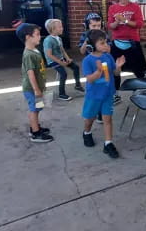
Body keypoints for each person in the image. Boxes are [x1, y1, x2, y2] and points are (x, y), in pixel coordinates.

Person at [81, 29, 125, 159]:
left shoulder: (108, 57)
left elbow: (115, 73)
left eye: (106, 42)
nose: (106, 45)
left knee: (108, 119)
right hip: (94, 95)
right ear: (91, 46)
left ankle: (108, 143)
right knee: (90, 118)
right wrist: (98, 72)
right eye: (102, 43)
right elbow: (90, 79)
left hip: (107, 94)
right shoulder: (88, 61)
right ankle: (87, 132)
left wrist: (118, 67)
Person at [108, 0, 146, 104]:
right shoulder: (112, 8)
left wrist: (125, 20)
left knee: (139, 69)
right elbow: (110, 26)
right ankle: (115, 94)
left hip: (132, 42)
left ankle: (144, 89)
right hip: (117, 42)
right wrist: (117, 21)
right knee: (115, 69)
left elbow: (140, 24)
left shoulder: (135, 7)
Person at [16, 23, 54, 143]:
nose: (40, 37)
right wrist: (36, 89)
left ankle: (35, 127)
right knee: (34, 109)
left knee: (38, 108)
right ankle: (35, 134)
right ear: (28, 37)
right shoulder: (28, 54)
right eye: (37, 35)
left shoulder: (34, 50)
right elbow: (30, 73)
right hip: (32, 89)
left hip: (38, 87)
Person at [78, 13, 111, 123]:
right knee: (93, 88)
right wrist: (87, 42)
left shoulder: (104, 35)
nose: (96, 28)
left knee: (105, 85)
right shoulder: (85, 35)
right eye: (93, 26)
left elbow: (109, 50)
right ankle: (94, 111)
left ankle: (102, 112)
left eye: (98, 25)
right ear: (88, 26)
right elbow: (82, 51)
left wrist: (105, 47)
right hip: (91, 66)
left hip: (104, 64)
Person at [43, 19, 84, 101]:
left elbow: (62, 50)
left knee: (75, 67)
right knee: (63, 74)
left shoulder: (59, 38)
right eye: (60, 27)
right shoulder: (48, 40)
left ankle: (78, 85)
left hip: (61, 59)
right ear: (52, 29)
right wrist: (61, 63)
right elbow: (49, 55)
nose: (62, 28)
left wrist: (67, 58)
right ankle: (61, 94)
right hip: (53, 61)